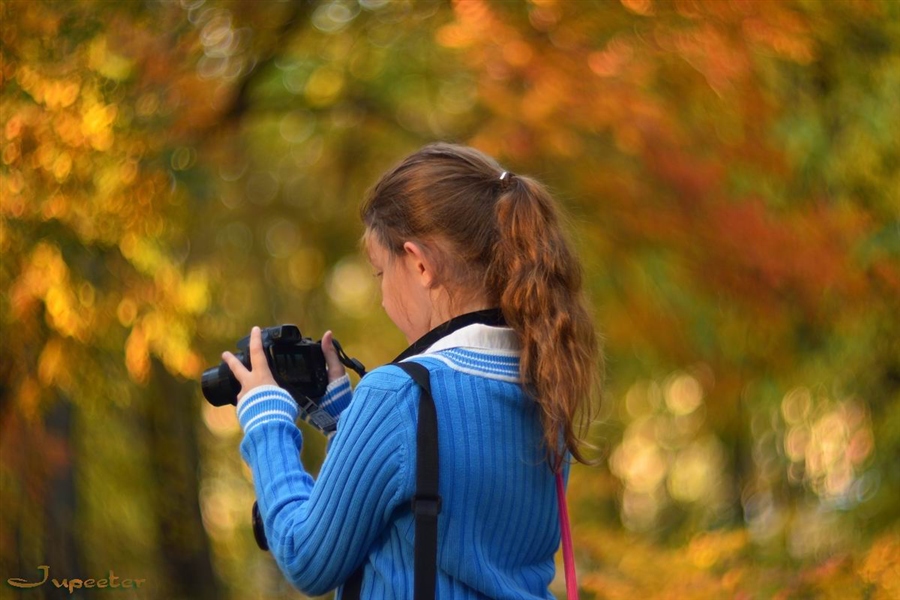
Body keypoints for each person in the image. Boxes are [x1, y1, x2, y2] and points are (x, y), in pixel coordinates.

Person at [222, 142, 601, 599]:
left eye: (381, 273)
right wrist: (349, 423)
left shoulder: (398, 396)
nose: (383, 298)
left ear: (420, 264)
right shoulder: (545, 384)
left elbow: (306, 557)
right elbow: (450, 512)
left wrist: (267, 423)